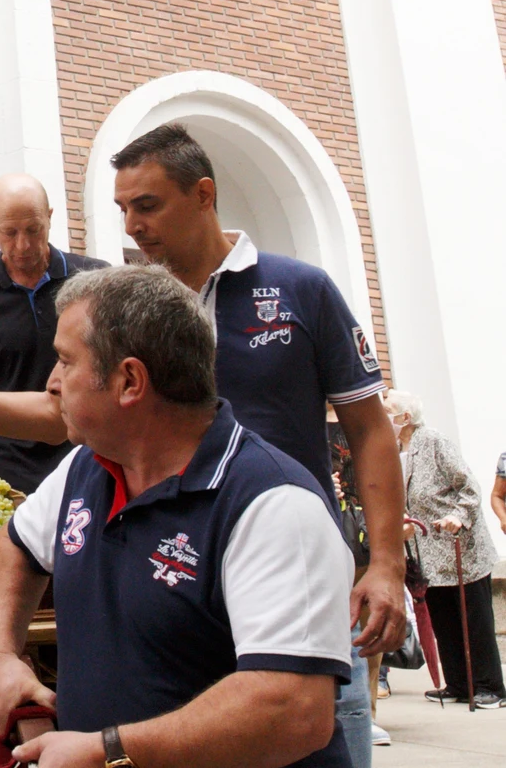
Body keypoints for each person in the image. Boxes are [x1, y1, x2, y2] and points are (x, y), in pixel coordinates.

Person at [111, 123, 406, 767]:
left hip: (301, 573)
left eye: (148, 204)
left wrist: (385, 563)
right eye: (123, 209)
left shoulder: (303, 290)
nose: (132, 225)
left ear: (204, 194)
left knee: (327, 743)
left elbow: (369, 428)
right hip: (177, 577)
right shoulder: (127, 313)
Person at [0, 265, 352, 768]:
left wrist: (107, 750)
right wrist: (1, 657)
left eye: (66, 362)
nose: (51, 384)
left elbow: (295, 710)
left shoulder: (274, 504)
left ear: (129, 381)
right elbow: (12, 552)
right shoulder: (84, 467)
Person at [0, 174, 107, 492]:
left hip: (92, 469)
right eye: (9, 232)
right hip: (11, 484)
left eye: (34, 229)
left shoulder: (97, 279)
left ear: (50, 216)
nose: (23, 245)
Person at [388, 392, 503, 707]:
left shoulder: (434, 441)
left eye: (388, 412)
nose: (384, 417)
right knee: (443, 620)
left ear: (405, 418)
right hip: (426, 552)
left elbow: (469, 486)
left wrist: (458, 516)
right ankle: (458, 684)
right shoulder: (394, 450)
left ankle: (490, 686)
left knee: (474, 620)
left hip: (461, 547)